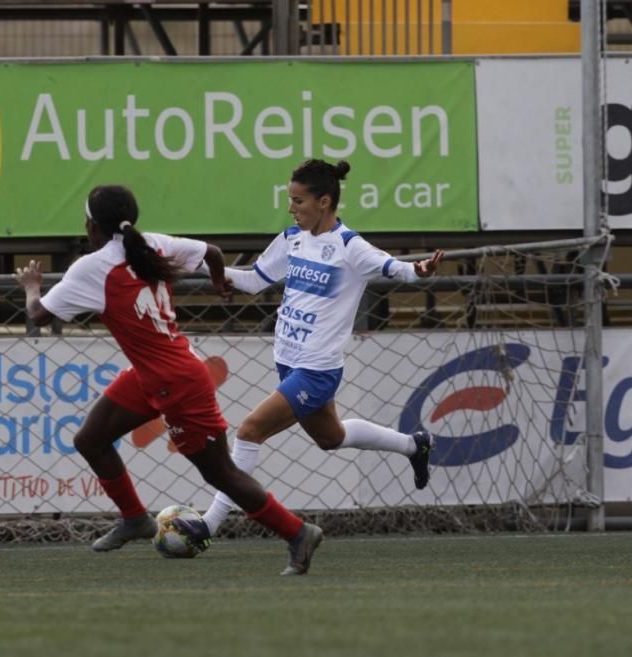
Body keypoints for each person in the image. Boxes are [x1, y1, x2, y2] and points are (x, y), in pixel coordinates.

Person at [13, 184, 323, 576]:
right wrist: (216, 280)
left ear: (92, 225)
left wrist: (31, 288)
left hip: (176, 382)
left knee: (220, 472)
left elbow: (39, 316)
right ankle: (134, 520)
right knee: (90, 439)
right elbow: (210, 252)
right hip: (154, 373)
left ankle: (298, 532)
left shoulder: (92, 268)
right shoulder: (153, 244)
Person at [175, 159, 444, 547]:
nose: (291, 208)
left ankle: (209, 524)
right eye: (290, 200)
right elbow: (252, 282)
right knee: (330, 438)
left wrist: (419, 269)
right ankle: (414, 445)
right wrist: (202, 264)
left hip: (317, 370)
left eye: (298, 201)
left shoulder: (349, 247)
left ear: (324, 201)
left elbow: (393, 268)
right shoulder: (291, 239)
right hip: (287, 362)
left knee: (249, 431)